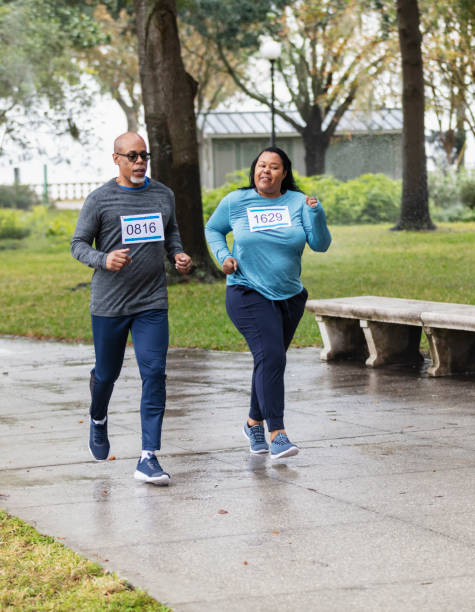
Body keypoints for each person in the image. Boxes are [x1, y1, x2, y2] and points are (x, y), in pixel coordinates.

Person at [71, 132, 192, 485]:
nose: (140, 162)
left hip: (151, 302)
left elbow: (171, 234)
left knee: (154, 373)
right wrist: (103, 258)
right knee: (107, 374)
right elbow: (77, 244)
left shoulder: (163, 195)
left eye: (145, 156)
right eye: (132, 156)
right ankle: (97, 417)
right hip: (110, 304)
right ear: (116, 159)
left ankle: (148, 456)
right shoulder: (100, 199)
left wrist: (177, 254)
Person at [205, 146, 331, 459]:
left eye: (274, 167)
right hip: (247, 291)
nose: (266, 171)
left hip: (290, 296)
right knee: (272, 357)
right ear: (254, 170)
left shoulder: (299, 203)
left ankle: (252, 423)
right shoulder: (237, 201)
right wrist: (224, 256)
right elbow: (213, 229)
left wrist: (316, 213)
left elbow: (320, 244)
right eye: (261, 165)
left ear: (284, 173)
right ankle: (278, 433)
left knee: (267, 360)